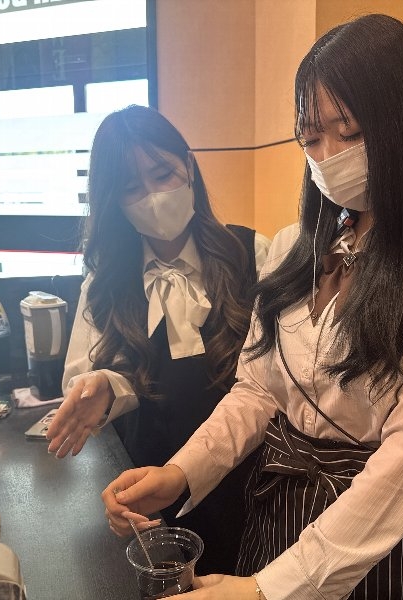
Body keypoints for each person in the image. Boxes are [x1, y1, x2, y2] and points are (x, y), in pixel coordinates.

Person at [102, 15, 403, 600]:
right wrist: (181, 472)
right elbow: (257, 390)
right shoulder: (294, 247)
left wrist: (268, 590)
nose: (328, 156)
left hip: (391, 533)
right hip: (282, 504)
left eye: (349, 132)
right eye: (311, 138)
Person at [45, 105, 271, 575]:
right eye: (131, 188)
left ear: (188, 166)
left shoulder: (253, 252)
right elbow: (80, 388)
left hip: (251, 490)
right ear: (114, 201)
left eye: (162, 174)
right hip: (149, 496)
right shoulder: (104, 282)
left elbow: (274, 382)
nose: (152, 196)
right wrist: (105, 386)